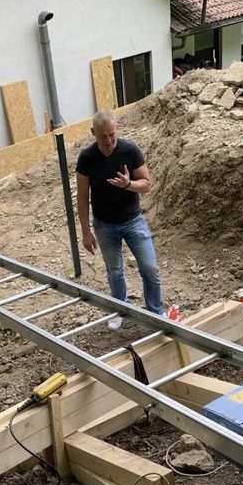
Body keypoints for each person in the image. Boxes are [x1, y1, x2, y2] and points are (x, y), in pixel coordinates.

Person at [76, 110, 163, 330]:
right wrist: (86, 232)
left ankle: (155, 313)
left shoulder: (130, 150)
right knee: (114, 270)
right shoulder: (86, 157)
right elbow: (82, 196)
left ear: (117, 129)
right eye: (103, 136)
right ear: (93, 133)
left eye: (112, 135)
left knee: (149, 268)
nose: (108, 141)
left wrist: (128, 184)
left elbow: (147, 184)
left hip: (132, 220)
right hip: (104, 224)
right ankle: (120, 309)